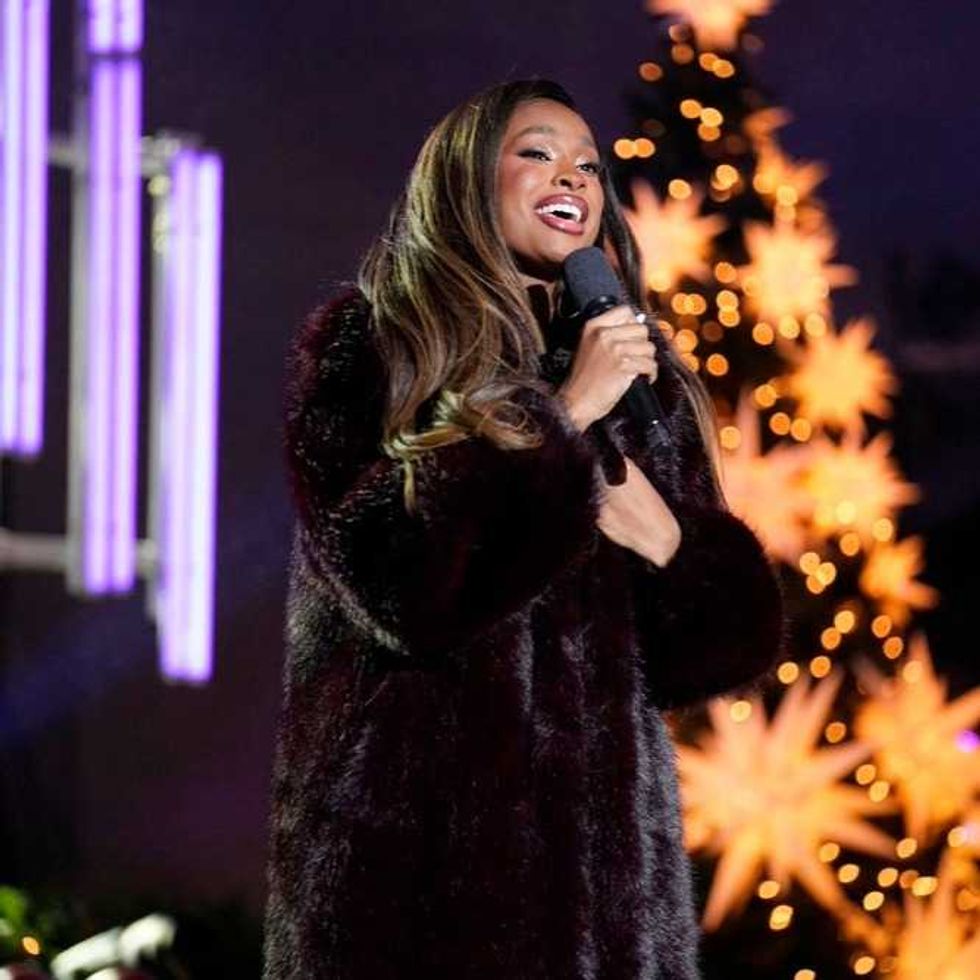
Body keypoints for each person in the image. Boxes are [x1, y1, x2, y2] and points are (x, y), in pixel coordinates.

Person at [262, 79, 784, 979]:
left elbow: (718, 652)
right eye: (538, 152)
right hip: (419, 890)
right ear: (467, 179)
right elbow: (404, 588)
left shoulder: (641, 374)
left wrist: (669, 543)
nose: (572, 177)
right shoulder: (374, 346)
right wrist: (563, 416)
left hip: (611, 909)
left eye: (589, 165)